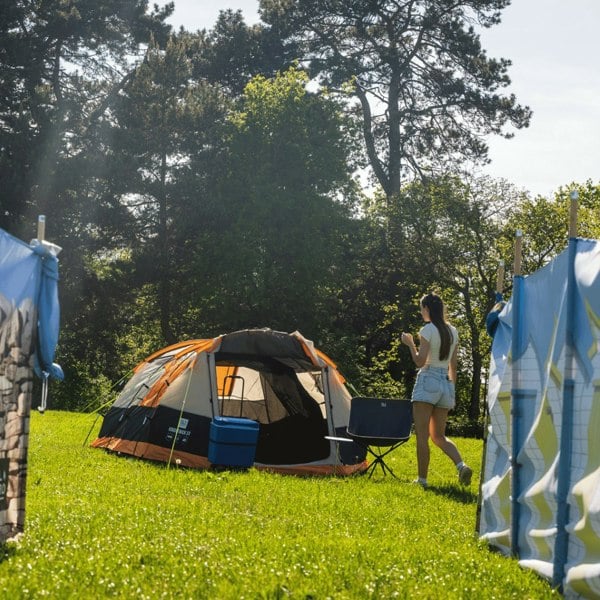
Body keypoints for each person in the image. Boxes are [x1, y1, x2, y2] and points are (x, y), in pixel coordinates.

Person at [401, 292, 472, 488]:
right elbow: (454, 366)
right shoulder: (453, 331)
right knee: (439, 436)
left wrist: (410, 344)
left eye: (422, 308)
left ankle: (422, 480)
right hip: (446, 384)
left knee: (422, 436)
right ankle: (461, 465)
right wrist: (452, 390)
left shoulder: (428, 330)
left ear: (427, 309)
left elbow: (419, 361)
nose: (421, 312)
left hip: (428, 380)